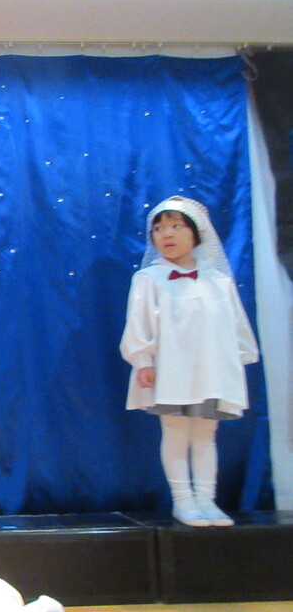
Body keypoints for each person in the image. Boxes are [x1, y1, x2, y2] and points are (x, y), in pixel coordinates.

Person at [119, 195, 259, 527]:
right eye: (158, 229)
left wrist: (237, 359)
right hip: (171, 370)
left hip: (211, 369)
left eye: (176, 226)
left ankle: (207, 500)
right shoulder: (149, 279)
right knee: (176, 430)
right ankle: (183, 500)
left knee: (206, 433)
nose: (166, 234)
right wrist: (144, 361)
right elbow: (138, 324)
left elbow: (235, 324)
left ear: (197, 233)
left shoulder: (218, 280)